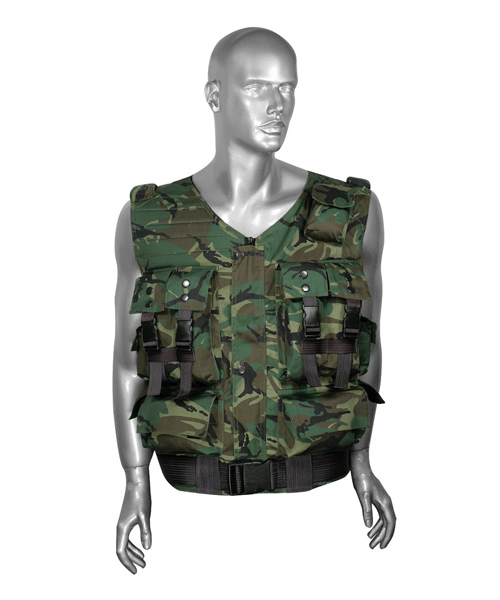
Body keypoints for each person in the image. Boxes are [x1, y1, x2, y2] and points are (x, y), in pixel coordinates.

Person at [113, 27, 396, 574]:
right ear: (214, 95)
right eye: (257, 87)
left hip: (318, 509)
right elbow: (128, 364)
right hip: (193, 514)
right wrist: (134, 480)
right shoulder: (150, 222)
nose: (277, 105)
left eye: (288, 88)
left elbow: (368, 346)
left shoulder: (347, 215)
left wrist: (362, 460)